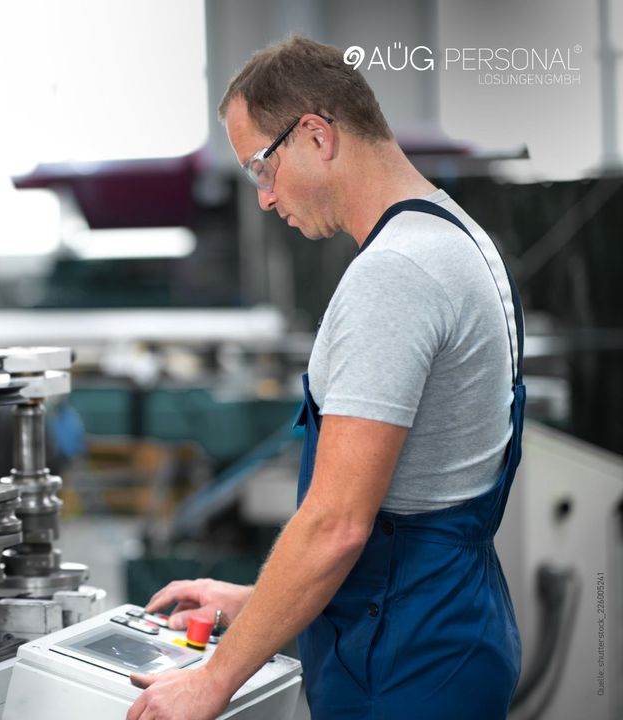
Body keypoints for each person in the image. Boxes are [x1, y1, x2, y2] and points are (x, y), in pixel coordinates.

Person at [128, 35, 525, 720]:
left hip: (402, 660)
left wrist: (212, 679)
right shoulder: (457, 237)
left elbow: (338, 526)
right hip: (445, 627)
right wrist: (256, 604)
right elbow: (402, 512)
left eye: (261, 167)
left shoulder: (395, 274)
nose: (264, 197)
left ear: (315, 135)